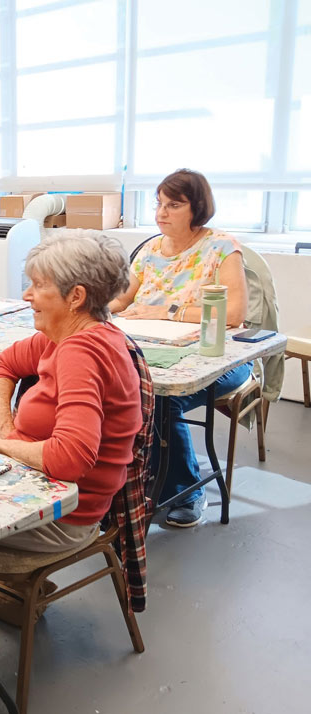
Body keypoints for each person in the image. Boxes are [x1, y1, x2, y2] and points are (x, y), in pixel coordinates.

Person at [0, 234, 144, 625]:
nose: (27, 295)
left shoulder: (81, 352)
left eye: (38, 285)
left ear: (76, 296)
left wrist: (3, 447)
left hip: (66, 516)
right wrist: (6, 432)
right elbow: (3, 365)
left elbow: (70, 458)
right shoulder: (64, 337)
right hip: (41, 486)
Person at [110, 168, 249, 528]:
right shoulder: (150, 250)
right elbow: (123, 299)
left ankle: (187, 491)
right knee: (118, 388)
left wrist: (168, 311)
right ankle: (122, 484)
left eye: (174, 204)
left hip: (222, 357)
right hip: (157, 351)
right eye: (158, 203)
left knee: (159, 398)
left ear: (197, 208)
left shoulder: (221, 248)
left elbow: (233, 315)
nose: (161, 212)